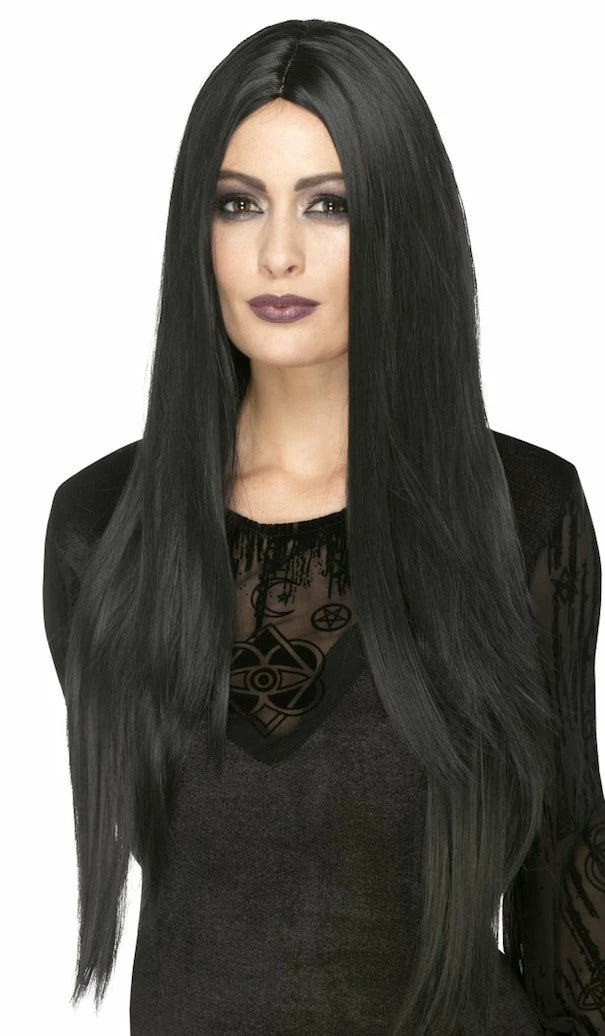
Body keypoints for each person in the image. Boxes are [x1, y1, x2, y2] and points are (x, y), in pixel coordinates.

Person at [42, 18, 604, 1036]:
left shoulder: (522, 514)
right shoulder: (102, 532)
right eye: (238, 203)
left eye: (328, 204)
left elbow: (567, 888)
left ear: (398, 225)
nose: (278, 253)